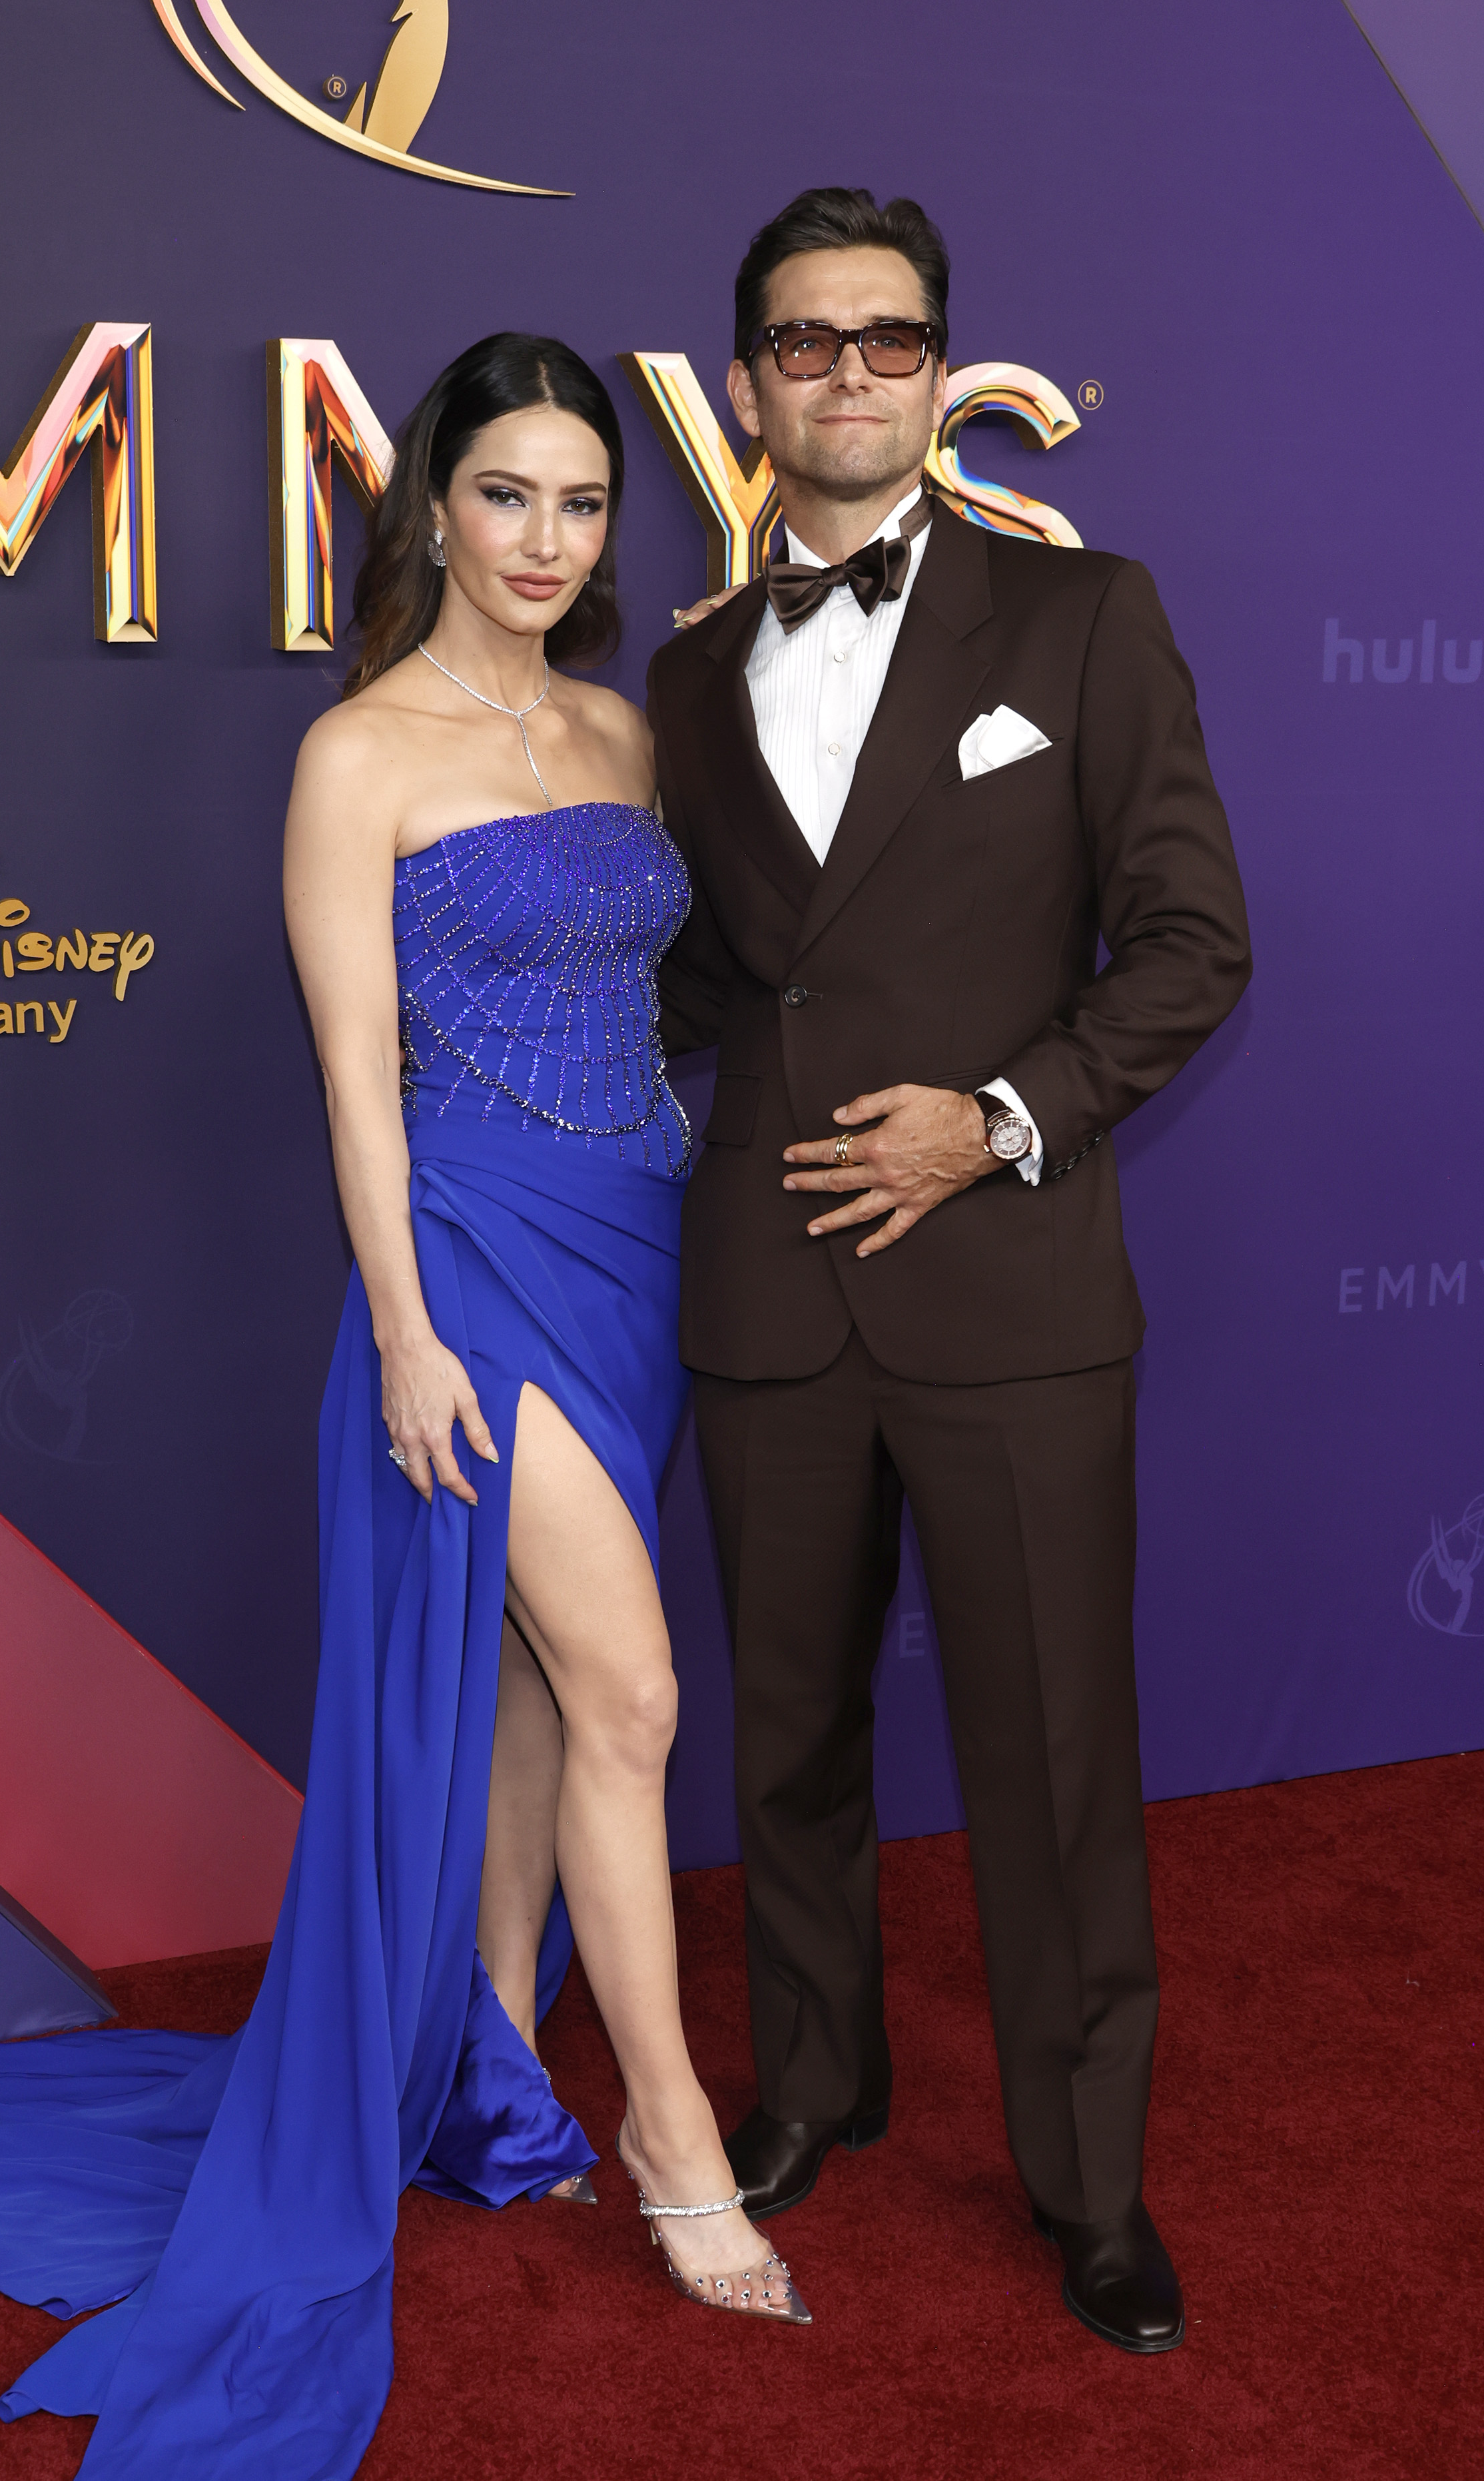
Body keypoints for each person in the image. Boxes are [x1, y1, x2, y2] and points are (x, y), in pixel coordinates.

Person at [0, 332, 805, 2481]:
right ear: (431, 510)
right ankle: (667, 2141)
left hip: (631, 1247)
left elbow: (646, 1007)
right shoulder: (359, 755)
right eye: (506, 498)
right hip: (465, 1264)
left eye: (578, 505)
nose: (545, 542)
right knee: (633, 1696)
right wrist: (410, 1330)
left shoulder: (623, 733)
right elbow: (353, 1076)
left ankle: (485, 2083)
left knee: (540, 1703)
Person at [651, 187, 1252, 2354]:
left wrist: (991, 1117)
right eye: (800, 342)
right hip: (769, 1294)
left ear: (941, 373)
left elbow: (1193, 945)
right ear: (746, 388)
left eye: (884, 340)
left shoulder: (1084, 619)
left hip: (1005, 1288)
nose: (842, 374)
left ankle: (1092, 2186)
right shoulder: (689, 671)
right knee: (786, 1738)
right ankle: (814, 2087)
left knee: (1052, 1760)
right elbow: (710, 978)